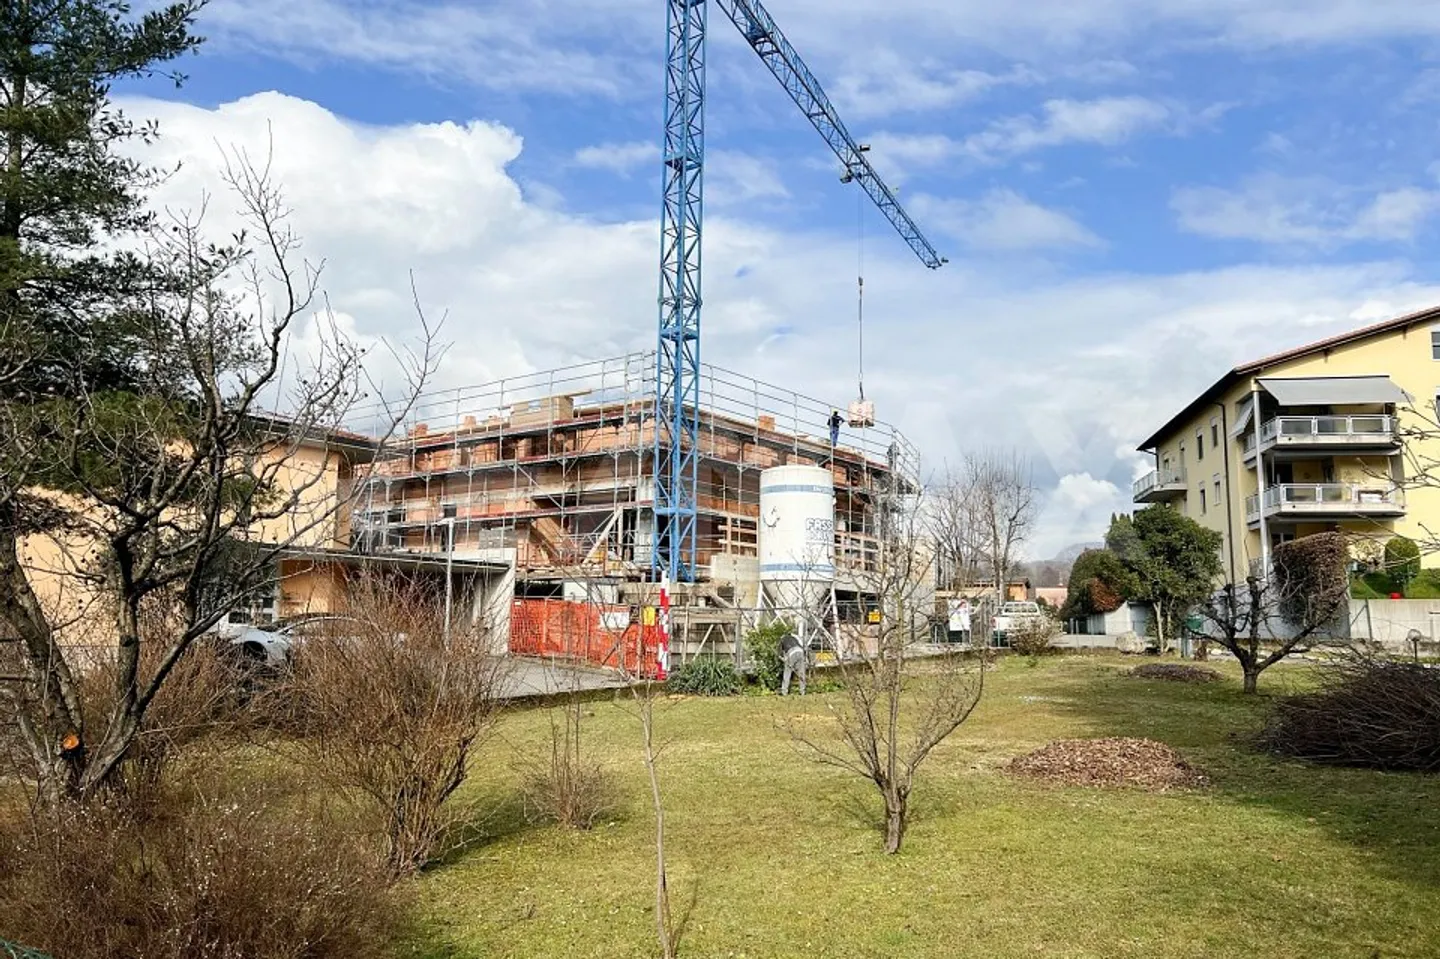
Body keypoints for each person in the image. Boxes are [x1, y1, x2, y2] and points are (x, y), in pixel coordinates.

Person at [780, 631, 807, 696]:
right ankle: (802, 691)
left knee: (787, 673)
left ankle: (784, 692)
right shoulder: (794, 638)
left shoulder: (782, 639)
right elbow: (802, 648)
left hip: (791, 653)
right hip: (800, 652)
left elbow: (780, 653)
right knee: (801, 673)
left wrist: (784, 659)